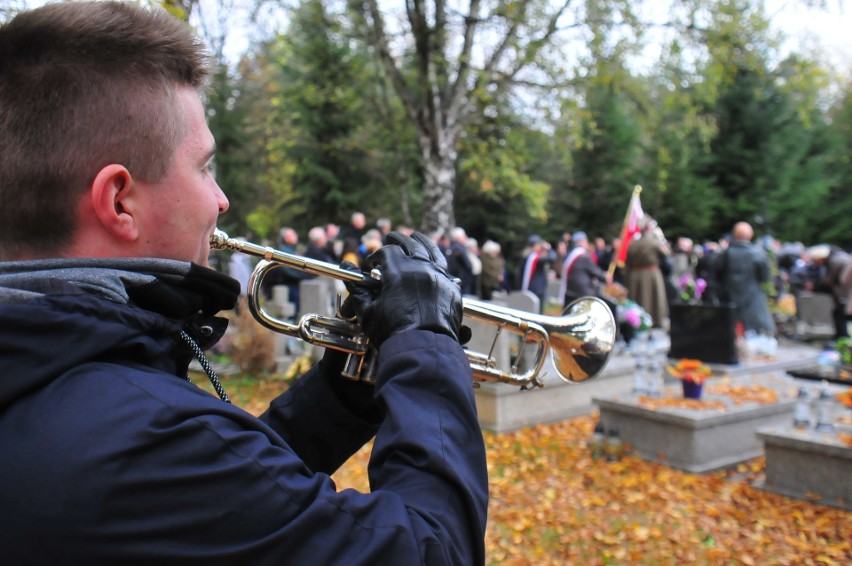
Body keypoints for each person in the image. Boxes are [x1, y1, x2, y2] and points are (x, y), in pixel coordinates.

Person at [0, 3, 487, 564]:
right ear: (119, 201)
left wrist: (347, 389)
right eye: (205, 167)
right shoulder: (143, 437)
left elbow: (225, 500)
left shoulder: (58, 385)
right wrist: (426, 340)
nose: (221, 199)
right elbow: (436, 551)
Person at [715, 221, 776, 335]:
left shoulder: (725, 254)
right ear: (750, 235)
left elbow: (717, 275)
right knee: (754, 333)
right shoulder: (758, 253)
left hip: (729, 298)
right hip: (753, 300)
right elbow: (765, 277)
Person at [624, 218, 670, 328]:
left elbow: (627, 261)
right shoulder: (654, 242)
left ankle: (638, 322)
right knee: (654, 300)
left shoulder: (632, 243)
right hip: (652, 273)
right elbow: (667, 253)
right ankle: (655, 321)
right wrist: (661, 238)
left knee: (638, 299)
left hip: (635, 275)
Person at [560, 231, 611, 307]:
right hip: (581, 293)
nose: (587, 243)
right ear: (581, 242)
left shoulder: (572, 254)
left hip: (570, 291)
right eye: (585, 241)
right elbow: (594, 270)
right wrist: (605, 276)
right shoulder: (582, 255)